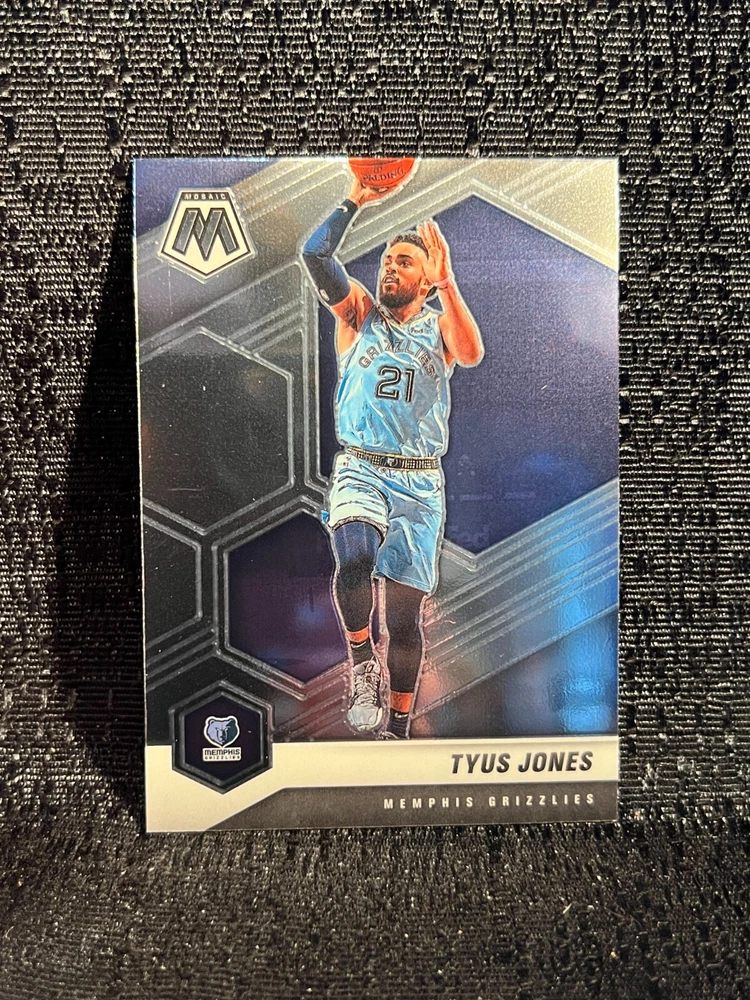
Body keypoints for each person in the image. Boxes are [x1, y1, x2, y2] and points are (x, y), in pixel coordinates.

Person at [302, 177, 484, 738]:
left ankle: (398, 730)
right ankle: (362, 663)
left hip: (421, 483)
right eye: (387, 260)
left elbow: (472, 353)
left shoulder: (439, 327)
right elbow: (315, 254)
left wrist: (449, 282)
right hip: (361, 465)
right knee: (354, 557)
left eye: (404, 262)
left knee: (405, 621)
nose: (390, 268)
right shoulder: (358, 312)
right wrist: (356, 197)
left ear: (426, 280)